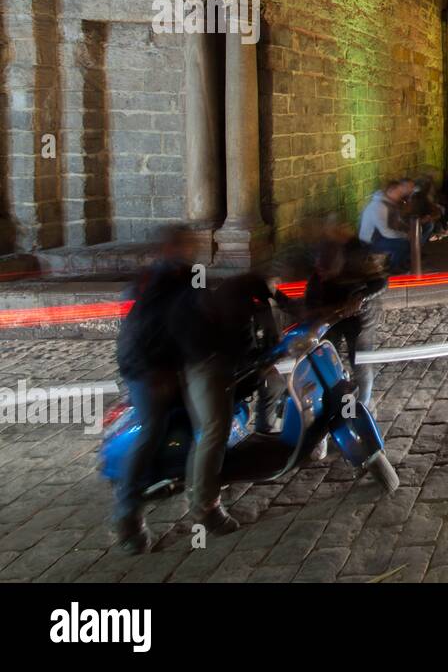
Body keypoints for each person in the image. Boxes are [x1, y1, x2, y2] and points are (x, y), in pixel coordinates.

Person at [170, 272, 288, 536]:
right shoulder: (237, 306)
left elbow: (281, 304)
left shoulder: (240, 294)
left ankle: (205, 484)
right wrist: (262, 359)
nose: (275, 289)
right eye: (273, 285)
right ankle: (206, 508)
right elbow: (240, 348)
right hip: (206, 367)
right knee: (213, 432)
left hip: (209, 363)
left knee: (211, 431)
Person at [111, 225, 202, 554]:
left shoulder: (190, 274)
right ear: (168, 247)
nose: (190, 248)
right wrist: (156, 371)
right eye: (184, 243)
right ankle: (127, 510)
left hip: (172, 361)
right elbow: (146, 329)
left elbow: (199, 310)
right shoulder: (157, 280)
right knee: (153, 426)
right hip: (146, 365)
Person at [304, 227, 388, 412]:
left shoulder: (359, 259)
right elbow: (312, 292)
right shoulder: (320, 264)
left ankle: (362, 408)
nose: (323, 274)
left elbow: (380, 282)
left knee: (360, 362)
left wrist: (361, 297)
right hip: (331, 316)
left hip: (360, 318)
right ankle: (335, 405)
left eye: (328, 271)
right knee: (327, 362)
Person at [359, 180, 412, 272]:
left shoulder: (390, 204)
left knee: (407, 241)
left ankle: (403, 263)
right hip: (371, 240)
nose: (400, 195)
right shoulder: (378, 206)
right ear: (390, 191)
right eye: (398, 192)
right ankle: (394, 268)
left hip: (380, 236)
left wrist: (407, 229)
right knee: (402, 244)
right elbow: (385, 231)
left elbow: (397, 221)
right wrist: (404, 235)